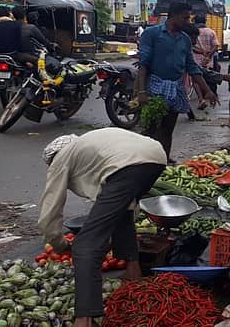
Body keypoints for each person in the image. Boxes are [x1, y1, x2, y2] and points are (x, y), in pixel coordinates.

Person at [37, 129, 167, 327]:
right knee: (123, 211)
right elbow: (125, 205)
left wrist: (59, 243)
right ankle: (134, 272)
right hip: (156, 156)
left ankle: (84, 318)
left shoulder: (61, 157)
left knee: (84, 245)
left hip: (129, 165)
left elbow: (50, 208)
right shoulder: (89, 144)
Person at [137, 2, 218, 159]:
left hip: (175, 88)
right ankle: (146, 161)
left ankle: (164, 160)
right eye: (185, 18)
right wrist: (141, 92)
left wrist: (207, 90)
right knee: (151, 130)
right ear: (173, 16)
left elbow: (192, 67)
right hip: (154, 88)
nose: (188, 22)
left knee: (167, 129)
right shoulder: (152, 34)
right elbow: (143, 64)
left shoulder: (185, 39)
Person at [193, 15, 220, 107]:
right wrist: (209, 56)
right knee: (209, 77)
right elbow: (216, 46)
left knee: (196, 79)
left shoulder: (194, 32)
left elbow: (191, 47)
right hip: (208, 61)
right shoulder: (211, 32)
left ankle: (201, 99)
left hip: (195, 60)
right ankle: (211, 93)